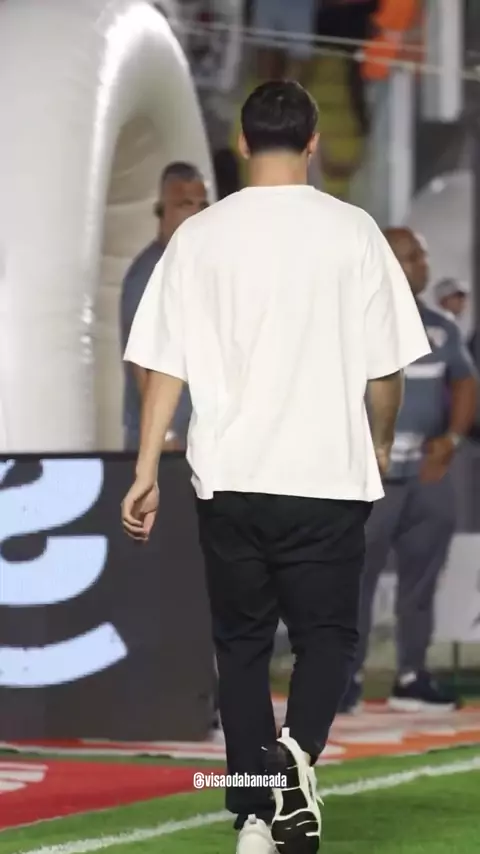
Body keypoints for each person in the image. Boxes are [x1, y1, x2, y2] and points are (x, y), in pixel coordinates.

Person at [121, 81, 430, 854]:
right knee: (327, 639)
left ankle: (257, 814)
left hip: (229, 478)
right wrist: (381, 440)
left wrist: (146, 467)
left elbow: (164, 366)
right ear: (315, 142)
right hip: (326, 475)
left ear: (241, 141)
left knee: (242, 646)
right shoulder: (354, 232)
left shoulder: (199, 237)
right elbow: (386, 370)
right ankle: (296, 758)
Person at [341, 229, 477, 715]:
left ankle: (412, 676)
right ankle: (346, 677)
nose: (424, 264)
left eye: (422, 254)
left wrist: (452, 439)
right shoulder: (348, 323)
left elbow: (465, 383)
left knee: (422, 579)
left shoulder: (440, 328)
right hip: (367, 477)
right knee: (353, 579)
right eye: (413, 256)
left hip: (425, 474)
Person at [120, 161, 208, 451]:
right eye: (185, 204)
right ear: (163, 210)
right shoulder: (148, 274)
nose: (195, 213)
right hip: (162, 444)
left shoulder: (194, 267)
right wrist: (165, 434)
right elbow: (141, 361)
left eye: (201, 205)